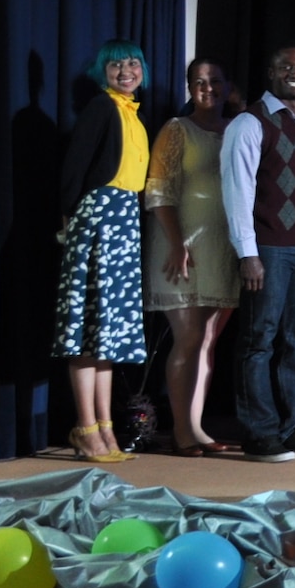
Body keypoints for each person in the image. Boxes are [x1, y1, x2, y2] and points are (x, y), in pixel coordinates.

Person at [221, 43, 295, 463]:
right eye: (286, 65)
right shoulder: (250, 123)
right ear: (270, 73)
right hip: (267, 251)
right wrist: (247, 253)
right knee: (259, 340)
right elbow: (238, 192)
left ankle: (294, 426)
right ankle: (259, 433)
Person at [53, 39, 153, 463]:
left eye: (133, 63)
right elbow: (74, 168)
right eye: (116, 65)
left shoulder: (134, 114)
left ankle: (106, 428)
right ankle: (86, 427)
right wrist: (68, 219)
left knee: (107, 335)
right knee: (88, 326)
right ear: (103, 72)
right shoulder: (102, 108)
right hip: (98, 217)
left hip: (125, 220)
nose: (126, 70)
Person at [143, 57, 240, 456]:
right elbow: (158, 191)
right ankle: (181, 429)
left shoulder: (238, 129)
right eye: (199, 82)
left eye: (215, 81)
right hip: (181, 247)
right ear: (188, 88)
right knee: (188, 339)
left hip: (223, 248)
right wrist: (178, 242)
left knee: (208, 343)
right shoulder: (176, 129)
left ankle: (196, 427)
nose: (208, 88)